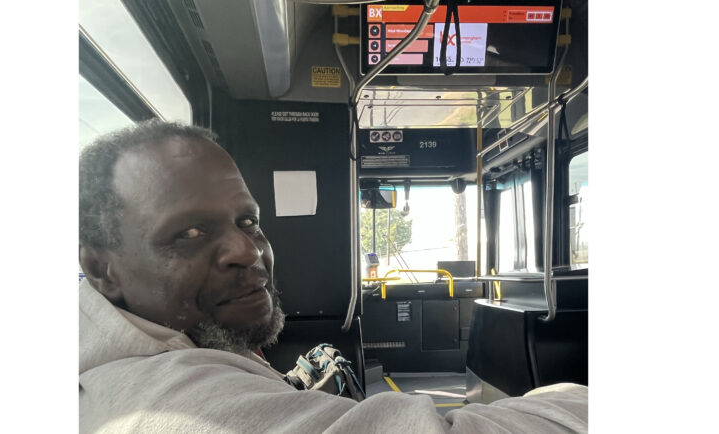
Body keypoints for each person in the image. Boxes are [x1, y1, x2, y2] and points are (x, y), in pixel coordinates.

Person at [79, 120, 588, 433]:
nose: (246, 250)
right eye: (189, 233)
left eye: (249, 222)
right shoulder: (172, 408)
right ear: (102, 269)